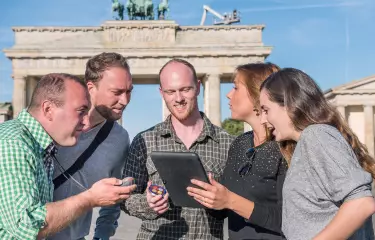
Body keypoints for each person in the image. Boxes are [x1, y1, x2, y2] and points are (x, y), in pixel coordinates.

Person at [0, 73, 136, 240]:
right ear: (48, 109)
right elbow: (26, 225)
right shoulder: (14, 144)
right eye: (81, 111)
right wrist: (90, 198)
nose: (86, 122)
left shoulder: (40, 145)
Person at [121, 59, 235, 240]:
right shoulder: (144, 140)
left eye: (185, 89)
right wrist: (147, 204)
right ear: (161, 93)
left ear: (198, 87)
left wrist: (223, 200)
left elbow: (239, 205)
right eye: (170, 91)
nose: (178, 98)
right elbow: (125, 198)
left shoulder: (228, 143)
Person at [259, 68, 375, 240]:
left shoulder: (316, 135)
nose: (262, 119)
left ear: (289, 105)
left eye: (266, 110)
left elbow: (361, 203)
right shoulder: (307, 142)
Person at [187, 63, 287, 239]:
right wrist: (206, 195)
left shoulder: (286, 147)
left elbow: (289, 220)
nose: (228, 94)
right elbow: (222, 211)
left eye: (235, 87)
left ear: (258, 93)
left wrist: (230, 200)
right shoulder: (240, 143)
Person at [48, 53, 133, 240]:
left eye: (129, 91)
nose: (125, 100)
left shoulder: (119, 138)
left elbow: (114, 197)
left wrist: (102, 236)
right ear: (91, 87)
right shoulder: (50, 122)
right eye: (117, 92)